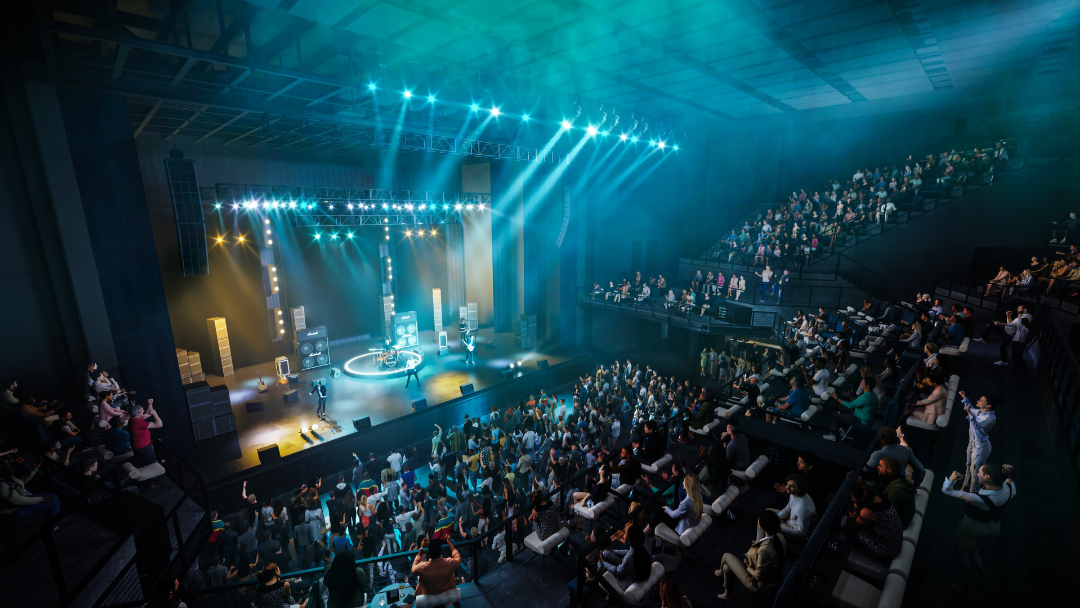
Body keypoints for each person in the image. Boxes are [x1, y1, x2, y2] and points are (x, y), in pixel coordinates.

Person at [942, 464, 1016, 600]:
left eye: (980, 472)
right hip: (994, 526)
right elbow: (1010, 480)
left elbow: (947, 491)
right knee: (969, 546)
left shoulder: (978, 498)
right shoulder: (1009, 488)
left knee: (962, 553)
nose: (977, 474)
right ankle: (983, 573)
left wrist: (952, 478)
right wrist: (1009, 473)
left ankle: (968, 589)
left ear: (987, 477)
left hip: (973, 527)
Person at [715, 510, 785, 600]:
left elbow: (758, 576)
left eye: (759, 520)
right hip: (772, 578)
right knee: (726, 567)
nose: (757, 521)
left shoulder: (764, 550)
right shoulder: (780, 537)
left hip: (760, 586)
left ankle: (721, 574)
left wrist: (748, 567)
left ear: (763, 527)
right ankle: (726, 593)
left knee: (726, 556)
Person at [850, 482, 903, 563]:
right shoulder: (879, 497)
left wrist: (856, 506)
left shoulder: (866, 512)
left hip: (889, 549)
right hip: (897, 541)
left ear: (855, 498)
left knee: (855, 530)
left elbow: (856, 521)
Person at [0, 457, 59, 523]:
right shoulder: (2, 486)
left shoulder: (6, 477)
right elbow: (19, 500)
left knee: (54, 497)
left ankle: (51, 524)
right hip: (13, 512)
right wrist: (41, 499)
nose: (10, 465)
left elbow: (20, 483)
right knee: (53, 501)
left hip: (21, 502)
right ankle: (52, 526)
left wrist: (34, 469)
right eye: (8, 464)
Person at [597, 524, 652, 594]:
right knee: (605, 553)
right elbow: (628, 552)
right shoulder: (641, 544)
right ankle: (600, 567)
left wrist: (603, 562)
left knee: (601, 563)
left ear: (630, 540)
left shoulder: (631, 556)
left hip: (627, 582)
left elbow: (617, 571)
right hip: (634, 571)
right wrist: (613, 551)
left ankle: (599, 575)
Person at [959, 392, 996, 493]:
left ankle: (973, 493)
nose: (978, 401)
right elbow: (971, 409)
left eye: (981, 400)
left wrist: (969, 412)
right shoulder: (980, 411)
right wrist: (965, 397)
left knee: (976, 471)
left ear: (988, 405)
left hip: (981, 446)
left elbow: (976, 425)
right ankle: (965, 485)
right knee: (968, 465)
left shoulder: (990, 418)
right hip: (972, 443)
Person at [411, 537, 462, 606]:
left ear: (429, 552)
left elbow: (413, 569)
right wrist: (449, 542)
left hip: (429, 598)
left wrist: (421, 548)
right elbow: (458, 558)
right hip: (447, 598)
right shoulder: (448, 563)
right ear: (440, 550)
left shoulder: (423, 567)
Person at [771, 474, 817, 540]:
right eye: (787, 484)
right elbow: (787, 510)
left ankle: (760, 543)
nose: (787, 487)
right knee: (767, 513)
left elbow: (803, 533)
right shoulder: (794, 494)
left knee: (764, 524)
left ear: (800, 488)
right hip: (790, 520)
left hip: (794, 530)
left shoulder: (802, 509)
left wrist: (781, 529)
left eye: (792, 486)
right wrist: (775, 518)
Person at [876, 457, 916, 528]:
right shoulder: (897, 479)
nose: (877, 467)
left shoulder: (895, 490)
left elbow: (887, 512)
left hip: (898, 524)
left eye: (880, 466)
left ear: (889, 470)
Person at [129, 401, 163, 466]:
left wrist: (150, 403)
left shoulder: (133, 419)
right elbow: (159, 425)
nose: (144, 411)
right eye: (142, 410)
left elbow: (148, 414)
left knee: (145, 463)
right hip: (143, 448)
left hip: (138, 447)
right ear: (138, 414)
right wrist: (155, 414)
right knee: (151, 464)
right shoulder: (138, 423)